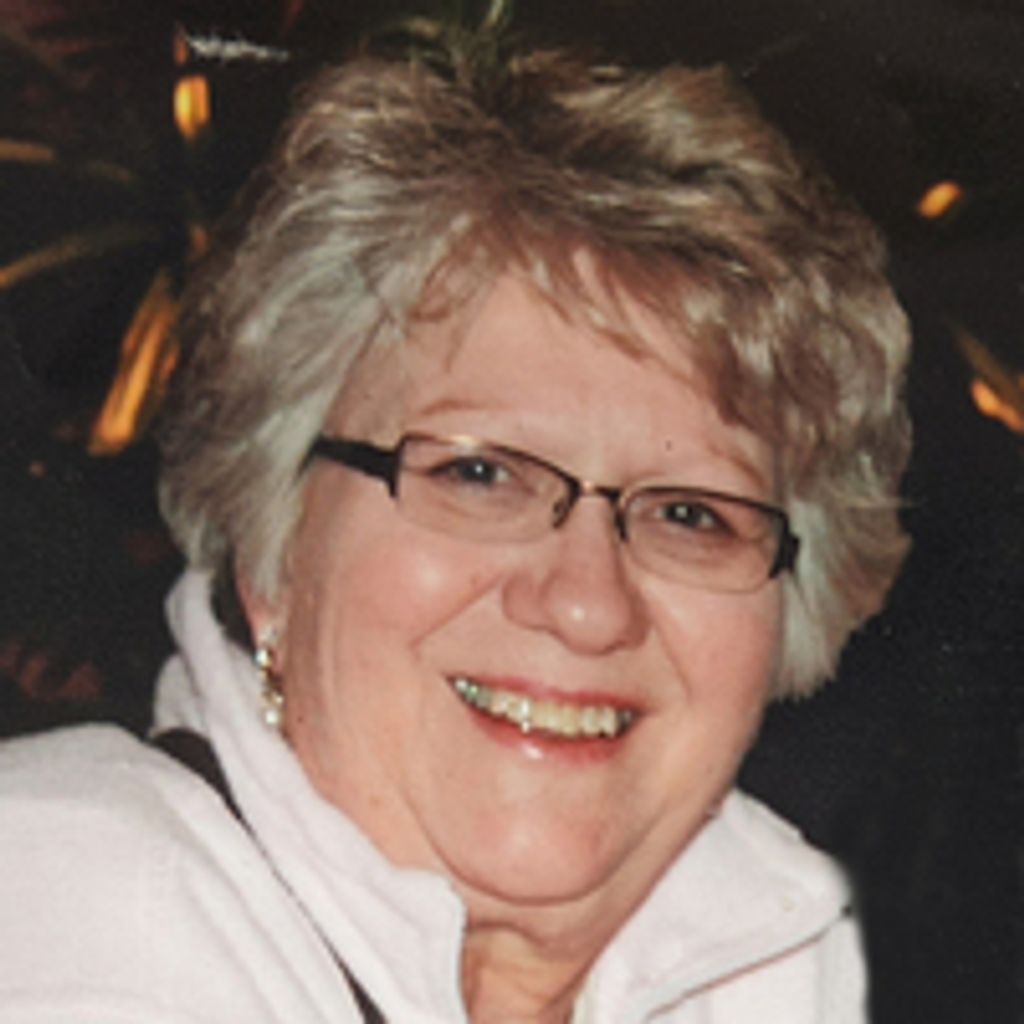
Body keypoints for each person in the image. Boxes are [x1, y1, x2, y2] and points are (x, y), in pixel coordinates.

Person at [0, 27, 911, 1023]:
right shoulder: (73, 903)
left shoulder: (770, 955)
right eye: (479, 473)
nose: (587, 603)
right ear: (275, 551)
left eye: (690, 514)